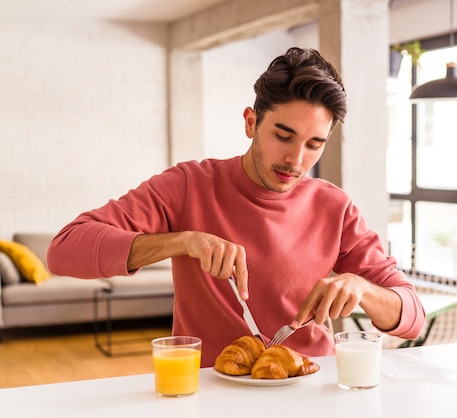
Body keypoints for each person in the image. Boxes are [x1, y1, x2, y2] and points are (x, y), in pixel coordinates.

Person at [47, 47, 425, 367]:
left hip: (311, 383)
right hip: (211, 388)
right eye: (283, 135)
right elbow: (63, 250)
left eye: (314, 144)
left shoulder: (335, 207)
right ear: (250, 122)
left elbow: (412, 316)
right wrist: (182, 242)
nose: (296, 159)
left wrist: (363, 288)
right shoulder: (189, 185)